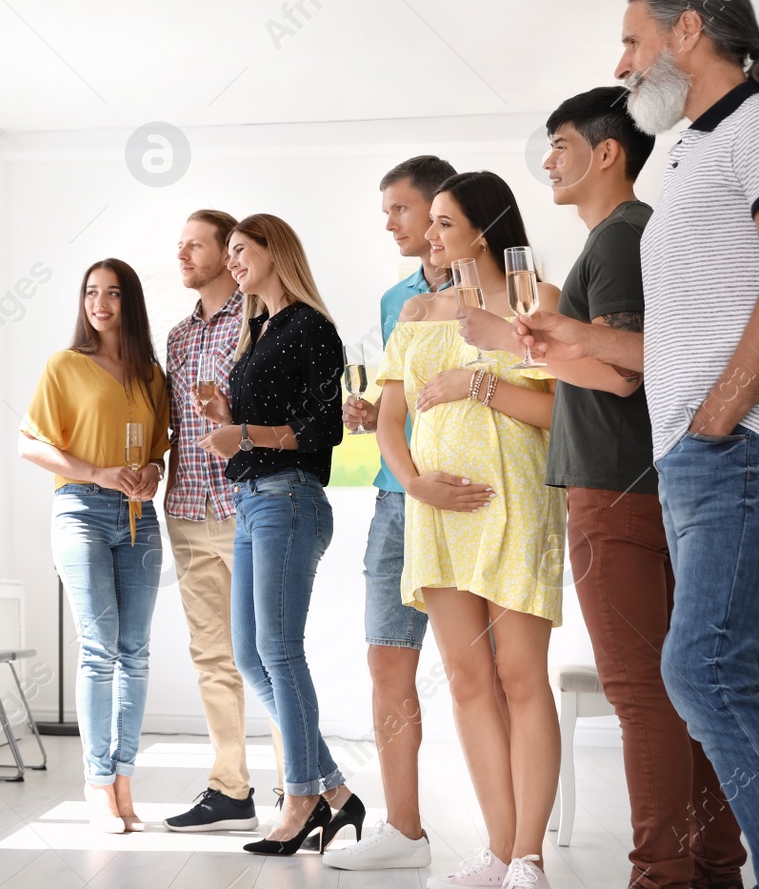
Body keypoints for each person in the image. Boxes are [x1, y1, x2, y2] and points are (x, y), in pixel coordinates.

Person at [461, 87, 746, 889]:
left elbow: (623, 371)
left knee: (640, 692)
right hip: (645, 488)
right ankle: (710, 866)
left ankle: (662, 873)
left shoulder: (621, 238)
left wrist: (513, 345)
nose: (547, 161)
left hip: (615, 495)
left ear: (607, 151)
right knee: (686, 689)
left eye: (558, 144)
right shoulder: (632, 237)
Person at [373, 172, 563, 889]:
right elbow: (392, 420)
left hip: (517, 505)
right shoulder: (419, 309)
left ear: (484, 228)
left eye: (445, 224)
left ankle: (529, 856)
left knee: (519, 675)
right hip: (436, 515)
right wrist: (414, 481)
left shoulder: (535, 302)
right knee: (465, 678)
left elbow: (561, 415)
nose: (430, 237)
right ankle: (496, 847)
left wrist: (478, 384)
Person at [614, 0, 759, 852]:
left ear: (688, 31)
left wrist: (723, 412)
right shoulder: (691, 149)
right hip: (693, 456)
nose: (623, 61)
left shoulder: (754, 126)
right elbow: (689, 325)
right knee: (723, 670)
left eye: (633, 38)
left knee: (699, 671)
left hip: (730, 448)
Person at [193, 213, 363, 856]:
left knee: (279, 653)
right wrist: (228, 416)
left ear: (274, 250)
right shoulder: (257, 328)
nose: (232, 261)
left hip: (290, 500)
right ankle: (337, 794)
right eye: (228, 252)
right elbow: (269, 420)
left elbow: (324, 429)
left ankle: (300, 800)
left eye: (241, 250)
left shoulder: (310, 328)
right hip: (252, 500)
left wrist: (247, 434)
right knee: (249, 658)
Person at [326, 155, 455, 871]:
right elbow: (400, 400)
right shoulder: (393, 299)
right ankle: (404, 831)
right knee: (387, 663)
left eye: (399, 208)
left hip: (466, 501)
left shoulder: (492, 287)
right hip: (392, 500)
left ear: (440, 205)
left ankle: (512, 843)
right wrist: (373, 411)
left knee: (488, 675)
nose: (389, 222)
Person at [20, 258, 169, 834]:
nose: (99, 303)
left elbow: (159, 449)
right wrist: (97, 474)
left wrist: (152, 470)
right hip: (80, 511)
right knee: (98, 648)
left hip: (139, 516)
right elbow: (29, 444)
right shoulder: (65, 366)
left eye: (111, 293)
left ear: (129, 302)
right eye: (90, 292)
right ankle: (97, 782)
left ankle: (124, 777)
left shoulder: (152, 373)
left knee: (135, 650)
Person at [159, 210, 262, 834]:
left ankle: (302, 791)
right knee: (212, 657)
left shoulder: (259, 317)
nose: (182, 254)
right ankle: (231, 789)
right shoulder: (175, 337)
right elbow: (176, 423)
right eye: (179, 246)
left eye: (194, 245)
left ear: (228, 253)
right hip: (187, 510)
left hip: (244, 505)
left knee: (267, 655)